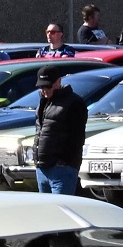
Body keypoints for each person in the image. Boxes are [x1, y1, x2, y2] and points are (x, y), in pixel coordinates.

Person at [32, 67, 88, 195]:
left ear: (58, 82)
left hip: (61, 168)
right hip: (42, 167)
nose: (44, 90)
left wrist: (64, 162)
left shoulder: (74, 102)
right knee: (46, 211)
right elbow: (40, 132)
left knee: (61, 209)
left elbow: (77, 138)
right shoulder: (44, 102)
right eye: (41, 87)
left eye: (48, 86)